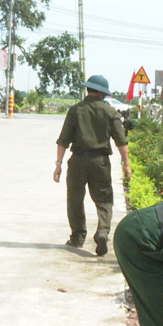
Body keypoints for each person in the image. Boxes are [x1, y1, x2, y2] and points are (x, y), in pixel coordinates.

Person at [53, 75, 131, 256]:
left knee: (75, 199)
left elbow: (63, 141)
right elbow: (122, 142)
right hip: (100, 163)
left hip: (78, 161)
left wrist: (58, 164)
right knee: (104, 200)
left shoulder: (76, 110)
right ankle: (102, 232)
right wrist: (126, 165)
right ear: (103, 93)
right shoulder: (110, 112)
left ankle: (77, 237)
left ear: (88, 89)